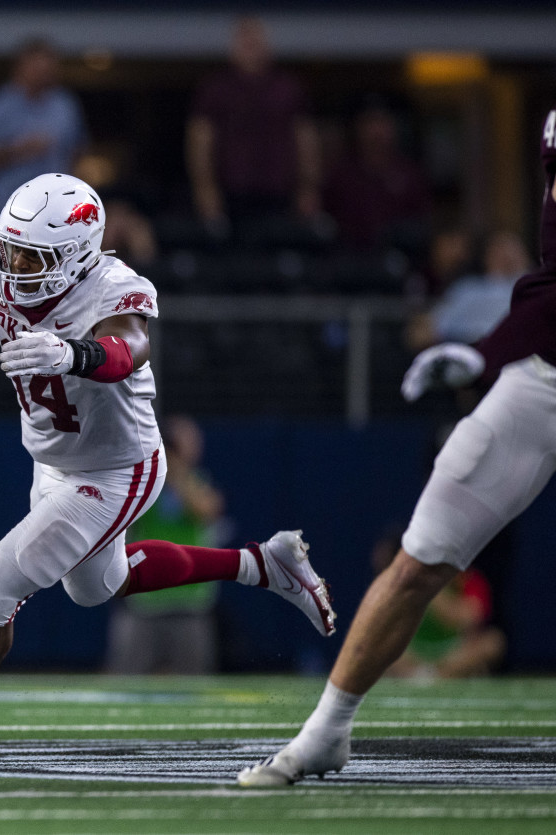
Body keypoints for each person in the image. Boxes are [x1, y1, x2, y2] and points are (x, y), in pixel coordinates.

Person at [0, 173, 336, 757]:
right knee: (96, 587)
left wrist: (70, 353)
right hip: (54, 458)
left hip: (116, 469)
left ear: (77, 256)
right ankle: (262, 563)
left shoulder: (113, 286)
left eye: (33, 256)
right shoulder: (2, 254)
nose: (13, 265)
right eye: (10, 249)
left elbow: (128, 348)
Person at [237, 108, 556, 787]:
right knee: (421, 557)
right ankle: (325, 732)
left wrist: (484, 352)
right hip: (544, 376)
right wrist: (485, 356)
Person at [104, 415, 227, 675]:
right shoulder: (147, 483)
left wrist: (178, 472)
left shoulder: (199, 482)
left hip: (189, 603)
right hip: (144, 602)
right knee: (124, 679)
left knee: (193, 683)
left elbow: (206, 510)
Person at [186, 17, 321, 233]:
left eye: (256, 40)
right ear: (233, 46)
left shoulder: (288, 88)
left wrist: (308, 188)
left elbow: (305, 139)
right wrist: (205, 189)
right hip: (231, 195)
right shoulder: (215, 89)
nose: (251, 46)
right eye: (245, 40)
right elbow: (200, 140)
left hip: (280, 192)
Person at [0, 38, 88, 219]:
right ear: (19, 68)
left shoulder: (65, 104)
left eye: (48, 70)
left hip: (56, 210)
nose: (44, 75)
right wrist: (17, 150)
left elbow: (78, 151)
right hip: (6, 208)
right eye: (37, 69)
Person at [322, 96, 432, 253]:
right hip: (349, 262)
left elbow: (422, 224)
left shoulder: (409, 174)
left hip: (397, 260)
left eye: (382, 122)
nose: (376, 131)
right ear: (357, 128)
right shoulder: (340, 175)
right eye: (370, 123)